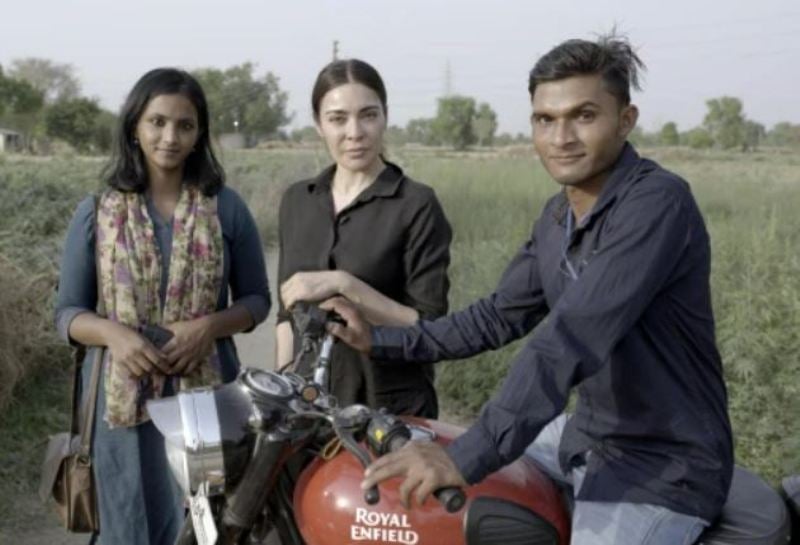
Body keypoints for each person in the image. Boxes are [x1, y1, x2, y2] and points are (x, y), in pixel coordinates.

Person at [323, 35, 733, 545]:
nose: (561, 137)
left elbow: (569, 338)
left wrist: (467, 456)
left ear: (625, 120)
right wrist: (378, 340)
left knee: (463, 457)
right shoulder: (559, 215)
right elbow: (497, 316)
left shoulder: (656, 204)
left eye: (584, 116)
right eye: (545, 119)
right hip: (587, 435)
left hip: (663, 463)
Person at [54, 68, 270, 545]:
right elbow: (67, 313)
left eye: (184, 125)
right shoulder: (98, 211)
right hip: (119, 406)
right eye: (157, 122)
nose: (170, 137)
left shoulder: (225, 208)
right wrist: (114, 335)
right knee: (127, 521)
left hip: (206, 402)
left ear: (199, 135)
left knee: (204, 525)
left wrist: (208, 327)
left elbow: (257, 300)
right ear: (135, 126)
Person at [275, 58, 451, 418]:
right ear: (318, 124)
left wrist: (343, 284)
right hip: (307, 407)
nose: (355, 132)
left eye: (368, 115)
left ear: (385, 116)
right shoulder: (298, 200)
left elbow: (428, 325)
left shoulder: (416, 204)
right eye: (338, 118)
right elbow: (287, 312)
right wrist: (283, 383)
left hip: (391, 409)